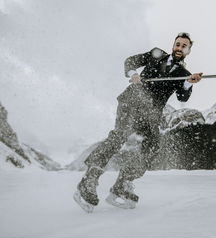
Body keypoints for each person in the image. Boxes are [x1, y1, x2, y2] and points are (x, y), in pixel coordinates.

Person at [73, 32, 203, 212]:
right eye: (178, 44)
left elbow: (183, 96)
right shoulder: (156, 53)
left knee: (151, 147)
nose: (180, 48)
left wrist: (189, 83)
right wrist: (134, 74)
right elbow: (129, 62)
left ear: (188, 50)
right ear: (173, 45)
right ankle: (88, 180)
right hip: (133, 101)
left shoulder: (184, 74)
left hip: (151, 115)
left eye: (184, 46)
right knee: (118, 137)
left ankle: (122, 183)